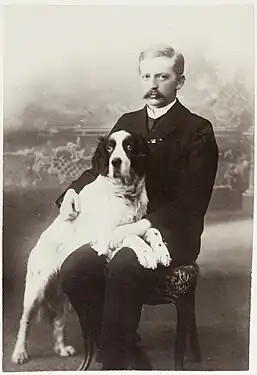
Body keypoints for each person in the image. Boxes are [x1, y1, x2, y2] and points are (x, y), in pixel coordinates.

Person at [56, 44, 219, 370]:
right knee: (73, 268)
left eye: (163, 76)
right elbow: (98, 169)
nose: (153, 84)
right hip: (122, 225)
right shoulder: (128, 122)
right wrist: (73, 193)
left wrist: (138, 228)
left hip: (172, 231)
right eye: (147, 76)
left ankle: (114, 362)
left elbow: (192, 202)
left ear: (180, 81)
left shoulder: (197, 129)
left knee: (124, 264)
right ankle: (122, 342)